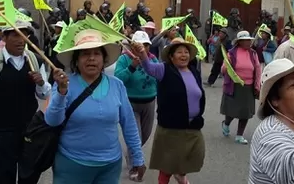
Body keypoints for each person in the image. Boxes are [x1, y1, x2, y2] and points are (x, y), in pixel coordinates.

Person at [46, 29, 145, 183]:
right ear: (76, 60)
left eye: (96, 53)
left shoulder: (116, 85)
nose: (91, 58)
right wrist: (61, 92)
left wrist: (138, 158)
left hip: (110, 167)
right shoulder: (65, 84)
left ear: (104, 59)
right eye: (85, 54)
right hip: (71, 164)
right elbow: (52, 121)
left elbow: (129, 124)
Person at [0, 21, 52, 183]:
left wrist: (41, 83)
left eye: (24, 35)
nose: (21, 40)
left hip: (30, 130)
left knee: (29, 175)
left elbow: (45, 95)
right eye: (15, 35)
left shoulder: (36, 61)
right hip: (2, 132)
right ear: (4, 37)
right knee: (3, 176)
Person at [131, 38, 205, 184]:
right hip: (171, 127)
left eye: (186, 52)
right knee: (167, 165)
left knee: (194, 155)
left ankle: (180, 173)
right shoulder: (164, 69)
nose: (183, 55)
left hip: (193, 126)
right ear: (171, 56)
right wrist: (142, 54)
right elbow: (149, 68)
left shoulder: (193, 71)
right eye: (179, 52)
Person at [114, 31, 158, 180]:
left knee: (145, 135)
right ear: (132, 46)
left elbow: (159, 76)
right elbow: (118, 79)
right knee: (136, 137)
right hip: (130, 103)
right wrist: (132, 67)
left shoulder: (153, 60)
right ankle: (135, 166)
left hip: (149, 102)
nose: (143, 48)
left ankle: (132, 153)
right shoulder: (124, 59)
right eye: (139, 45)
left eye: (145, 45)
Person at [220, 31, 261, 144]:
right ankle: (226, 123)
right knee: (232, 111)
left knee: (245, 112)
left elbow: (257, 69)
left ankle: (239, 135)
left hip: (248, 86)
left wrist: (257, 85)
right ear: (239, 42)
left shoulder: (253, 53)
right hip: (235, 85)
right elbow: (224, 69)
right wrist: (226, 66)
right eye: (246, 40)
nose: (248, 42)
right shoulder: (231, 53)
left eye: (249, 40)